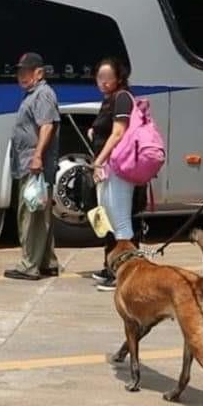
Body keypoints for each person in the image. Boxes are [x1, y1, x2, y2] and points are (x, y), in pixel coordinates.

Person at [4, 53, 61, 281]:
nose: (21, 76)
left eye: (26, 71)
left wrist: (37, 156)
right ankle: (47, 262)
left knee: (31, 215)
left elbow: (47, 126)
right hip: (31, 164)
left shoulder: (43, 94)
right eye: (19, 72)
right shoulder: (34, 94)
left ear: (39, 72)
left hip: (35, 166)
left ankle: (29, 265)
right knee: (39, 214)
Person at [88, 57, 138, 292]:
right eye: (100, 77)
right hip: (110, 169)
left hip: (118, 168)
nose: (104, 82)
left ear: (119, 78)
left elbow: (118, 133)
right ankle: (114, 269)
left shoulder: (121, 98)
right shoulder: (110, 100)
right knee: (110, 218)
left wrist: (98, 161)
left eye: (108, 77)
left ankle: (124, 275)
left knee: (121, 222)